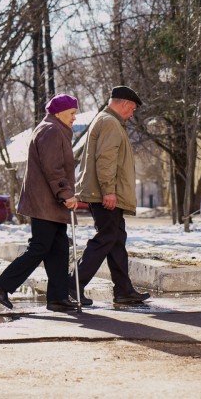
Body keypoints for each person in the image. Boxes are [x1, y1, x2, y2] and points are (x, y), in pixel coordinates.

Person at [0, 94, 81, 313]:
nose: (74, 117)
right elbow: (53, 168)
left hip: (50, 203)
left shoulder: (53, 128)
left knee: (58, 248)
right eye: (72, 113)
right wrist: (66, 193)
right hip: (45, 203)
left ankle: (57, 298)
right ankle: (1, 285)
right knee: (39, 247)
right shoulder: (51, 130)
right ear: (59, 112)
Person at [69, 85, 150, 305]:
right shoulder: (110, 123)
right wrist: (109, 191)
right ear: (123, 103)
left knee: (115, 240)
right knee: (106, 238)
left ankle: (123, 290)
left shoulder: (108, 120)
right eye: (132, 108)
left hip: (103, 192)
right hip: (104, 194)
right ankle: (74, 285)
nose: (132, 114)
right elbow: (105, 160)